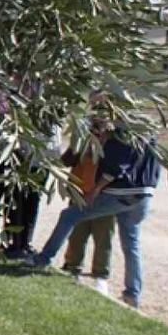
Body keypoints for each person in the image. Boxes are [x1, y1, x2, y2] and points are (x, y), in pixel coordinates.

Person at [29, 125, 160, 308]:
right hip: (144, 195)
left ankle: (43, 259)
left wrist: (95, 191)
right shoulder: (148, 133)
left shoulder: (121, 132)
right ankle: (132, 294)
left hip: (120, 192)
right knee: (131, 243)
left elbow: (115, 168)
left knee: (69, 216)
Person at [60, 119, 115, 297]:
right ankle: (72, 267)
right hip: (79, 192)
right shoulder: (83, 138)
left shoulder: (114, 142)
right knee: (77, 234)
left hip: (104, 197)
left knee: (103, 236)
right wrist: (78, 142)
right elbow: (66, 161)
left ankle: (100, 276)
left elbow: (115, 168)